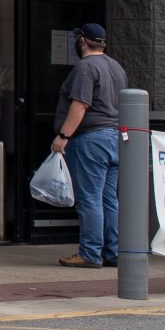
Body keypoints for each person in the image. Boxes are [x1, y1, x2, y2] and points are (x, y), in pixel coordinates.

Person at [52, 22, 127, 269]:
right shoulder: (116, 66)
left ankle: (90, 253)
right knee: (109, 199)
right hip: (115, 138)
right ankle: (112, 252)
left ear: (82, 40)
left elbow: (80, 105)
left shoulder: (85, 67)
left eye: (76, 38)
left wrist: (63, 135)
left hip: (92, 139)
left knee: (90, 198)